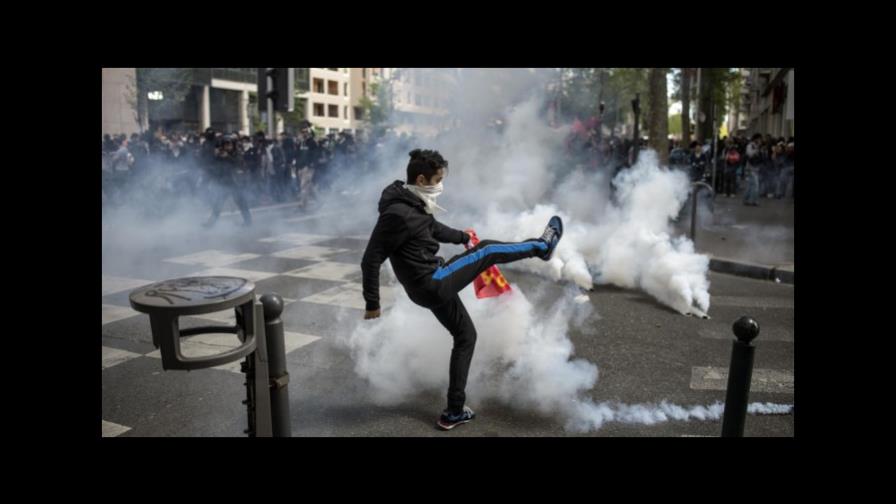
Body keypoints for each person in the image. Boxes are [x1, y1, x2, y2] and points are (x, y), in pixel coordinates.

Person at [360, 149, 564, 431]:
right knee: (489, 250)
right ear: (421, 179)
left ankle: (454, 411)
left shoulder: (413, 202)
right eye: (438, 180)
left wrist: (463, 237)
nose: (441, 185)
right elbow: (370, 259)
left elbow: (433, 228)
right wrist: (372, 303)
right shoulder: (396, 214)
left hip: (428, 286)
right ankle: (542, 247)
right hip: (433, 282)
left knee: (466, 336)